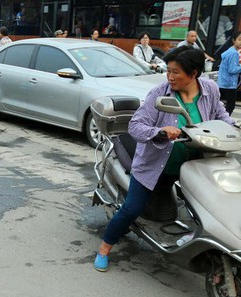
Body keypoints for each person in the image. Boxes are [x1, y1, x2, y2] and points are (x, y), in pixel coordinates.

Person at [94, 47, 235, 272]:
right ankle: (105, 248)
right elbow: (136, 126)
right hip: (154, 165)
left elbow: (220, 115)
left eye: (176, 72)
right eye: (168, 71)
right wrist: (160, 131)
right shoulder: (160, 94)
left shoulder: (209, 89)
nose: (170, 77)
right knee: (132, 209)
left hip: (194, 166)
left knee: (209, 205)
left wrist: (233, 126)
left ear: (194, 73)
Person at [217, 31, 241, 115]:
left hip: (222, 82)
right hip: (229, 85)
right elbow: (232, 70)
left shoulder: (229, 51)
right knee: (230, 107)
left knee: (220, 106)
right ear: (233, 40)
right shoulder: (234, 53)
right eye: (239, 39)